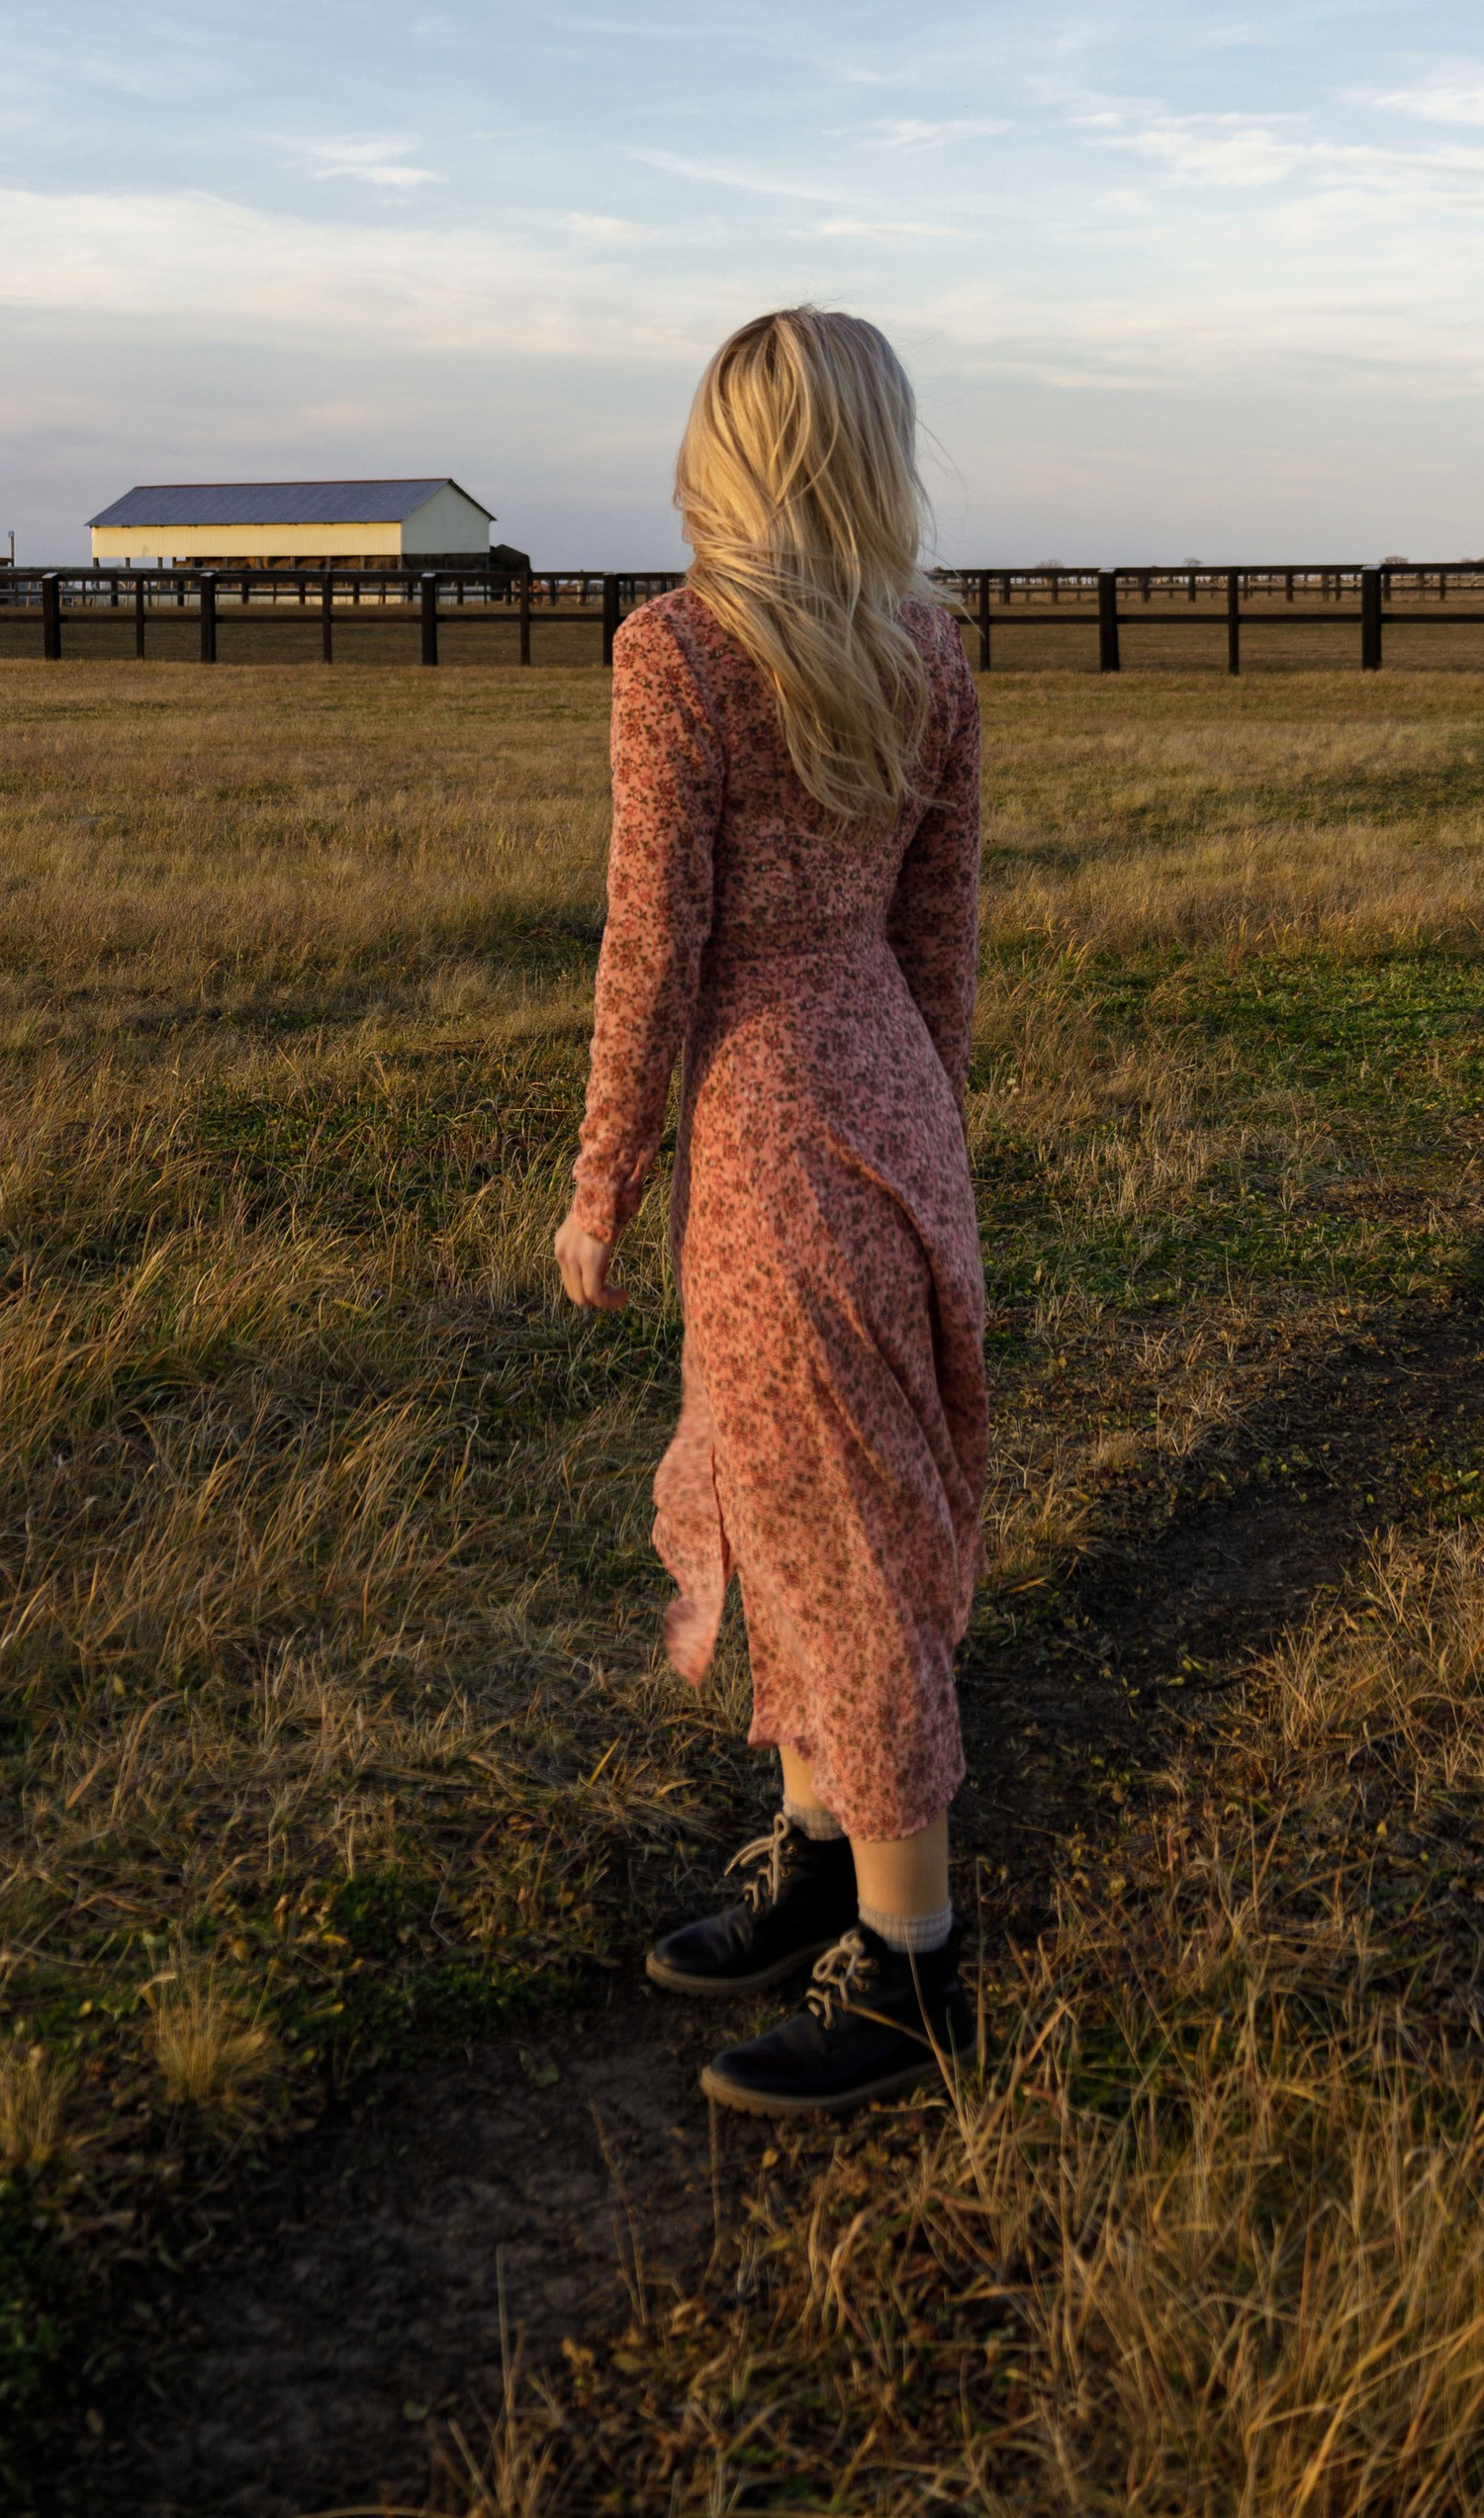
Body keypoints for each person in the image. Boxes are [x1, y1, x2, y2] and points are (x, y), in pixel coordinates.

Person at [552, 306, 985, 2121]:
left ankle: (909, 1964)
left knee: (832, 1536)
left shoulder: (678, 650)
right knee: (794, 1474)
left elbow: (652, 948)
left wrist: (599, 1185)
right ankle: (814, 1849)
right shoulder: (930, 647)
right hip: (887, 1097)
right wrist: (931, 1126)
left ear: (726, 450)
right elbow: (937, 932)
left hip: (766, 1126)